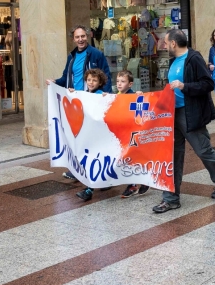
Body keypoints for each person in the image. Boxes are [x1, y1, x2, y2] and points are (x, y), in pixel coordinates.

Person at [153, 29, 215, 213]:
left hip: (190, 113)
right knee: (172, 156)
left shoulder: (193, 58)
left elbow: (208, 84)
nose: (164, 45)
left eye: (165, 42)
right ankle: (170, 198)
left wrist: (184, 86)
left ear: (173, 43)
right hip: (172, 114)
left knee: (203, 150)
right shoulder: (173, 62)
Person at [46, 25, 112, 181]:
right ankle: (77, 169)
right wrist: (55, 82)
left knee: (92, 138)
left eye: (83, 36)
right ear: (73, 39)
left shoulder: (96, 54)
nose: (80, 39)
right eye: (77, 37)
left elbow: (106, 76)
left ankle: (97, 169)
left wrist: (105, 96)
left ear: (87, 36)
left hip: (91, 102)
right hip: (75, 104)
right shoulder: (72, 56)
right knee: (76, 137)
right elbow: (64, 78)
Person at [115, 70, 151, 199]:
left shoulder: (132, 96)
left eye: (123, 81)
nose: (119, 84)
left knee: (133, 157)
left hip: (133, 133)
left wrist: (139, 95)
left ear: (130, 84)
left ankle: (135, 183)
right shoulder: (116, 96)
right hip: (122, 133)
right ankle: (139, 181)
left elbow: (140, 108)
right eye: (118, 81)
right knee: (127, 158)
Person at [74, 68, 109, 201]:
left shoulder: (101, 94)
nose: (91, 82)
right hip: (89, 135)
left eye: (94, 80)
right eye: (89, 80)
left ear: (100, 82)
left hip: (99, 136)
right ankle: (103, 182)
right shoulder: (84, 94)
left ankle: (89, 190)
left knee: (93, 162)